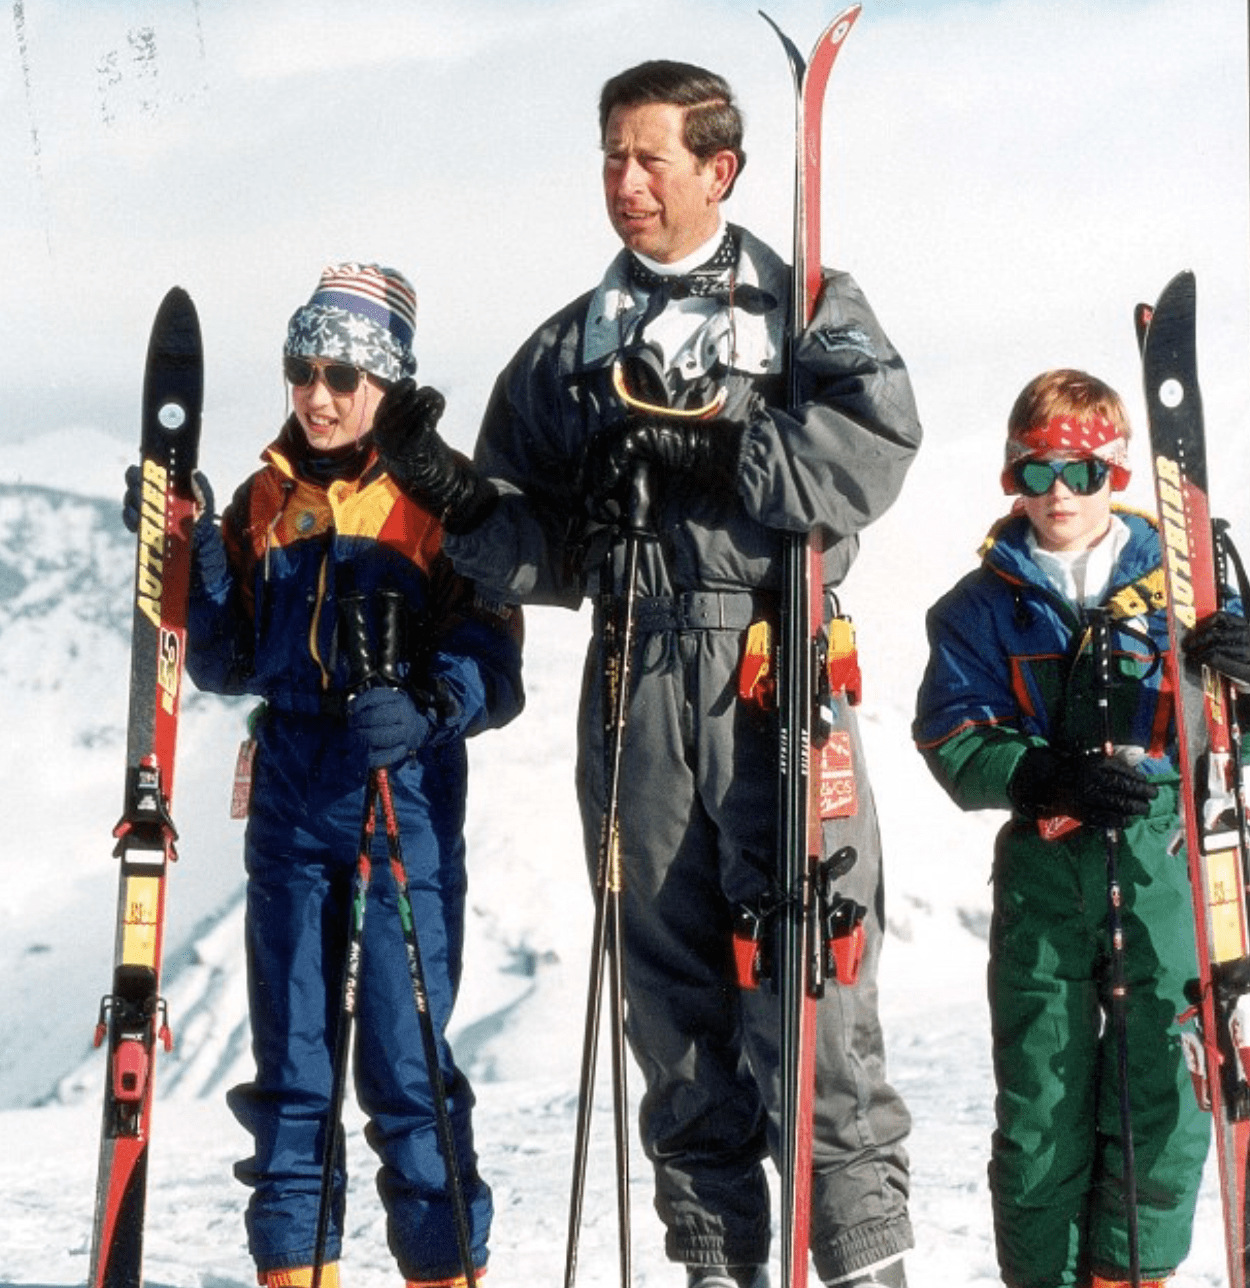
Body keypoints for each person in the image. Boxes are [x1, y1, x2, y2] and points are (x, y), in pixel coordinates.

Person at [370, 62, 918, 1288]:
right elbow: (537, 543)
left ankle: (863, 1265)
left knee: (810, 988)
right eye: (609, 156)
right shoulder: (575, 343)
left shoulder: (806, 304)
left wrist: (724, 446)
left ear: (717, 168)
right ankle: (714, 1266)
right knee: (672, 1008)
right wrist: (453, 491)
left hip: (770, 662)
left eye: (649, 157)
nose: (623, 181)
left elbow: (871, 455)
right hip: (632, 675)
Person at [125, 262, 525, 1288]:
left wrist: (437, 702)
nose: (318, 393)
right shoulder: (268, 494)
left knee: (405, 1068)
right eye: (303, 367)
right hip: (295, 791)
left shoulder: (437, 499)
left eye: (343, 374)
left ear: (387, 383)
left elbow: (495, 658)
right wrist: (194, 561)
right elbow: (219, 659)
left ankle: (442, 1271)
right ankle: (297, 1273)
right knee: (294, 1067)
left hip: (401, 794)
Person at [912, 368, 1250, 1288]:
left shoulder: (1190, 583)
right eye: (1034, 474)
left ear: (1117, 473)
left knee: (1163, 1099)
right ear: (1009, 478)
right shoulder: (980, 605)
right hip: (1046, 867)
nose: (1057, 494)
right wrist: (1040, 772)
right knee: (1041, 1107)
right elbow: (951, 736)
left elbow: (1241, 742)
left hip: (1165, 865)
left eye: (1080, 471)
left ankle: (1129, 1275)